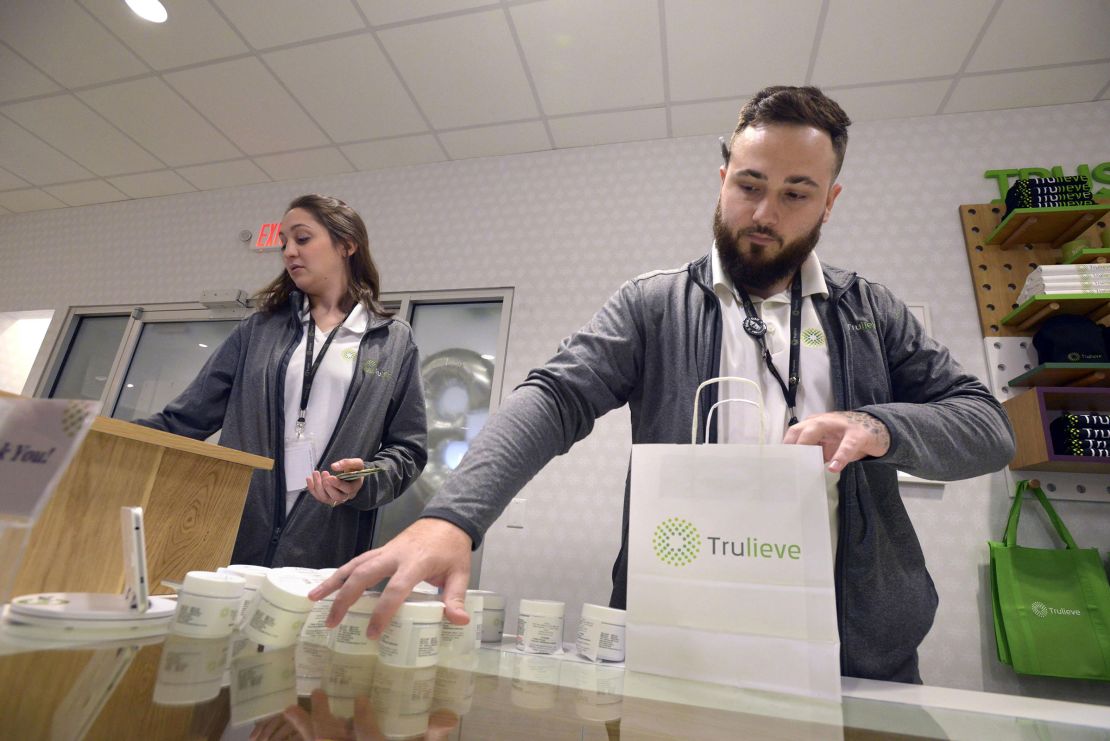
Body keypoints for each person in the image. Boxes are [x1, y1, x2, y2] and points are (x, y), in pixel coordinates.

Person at [310, 87, 1015, 682]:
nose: (765, 214)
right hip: (677, 642)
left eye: (796, 194)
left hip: (858, 652)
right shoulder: (652, 306)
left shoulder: (871, 312)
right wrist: (451, 517)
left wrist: (878, 427)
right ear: (722, 179)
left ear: (830, 202)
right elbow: (555, 397)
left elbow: (987, 426)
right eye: (749, 185)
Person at [138, 194, 427, 568]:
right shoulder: (259, 329)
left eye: (302, 239)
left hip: (326, 540)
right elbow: (185, 420)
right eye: (284, 243)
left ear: (347, 245)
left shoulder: (392, 341)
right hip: (234, 531)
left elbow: (408, 449)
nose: (289, 251)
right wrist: (91, 437)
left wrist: (365, 481)